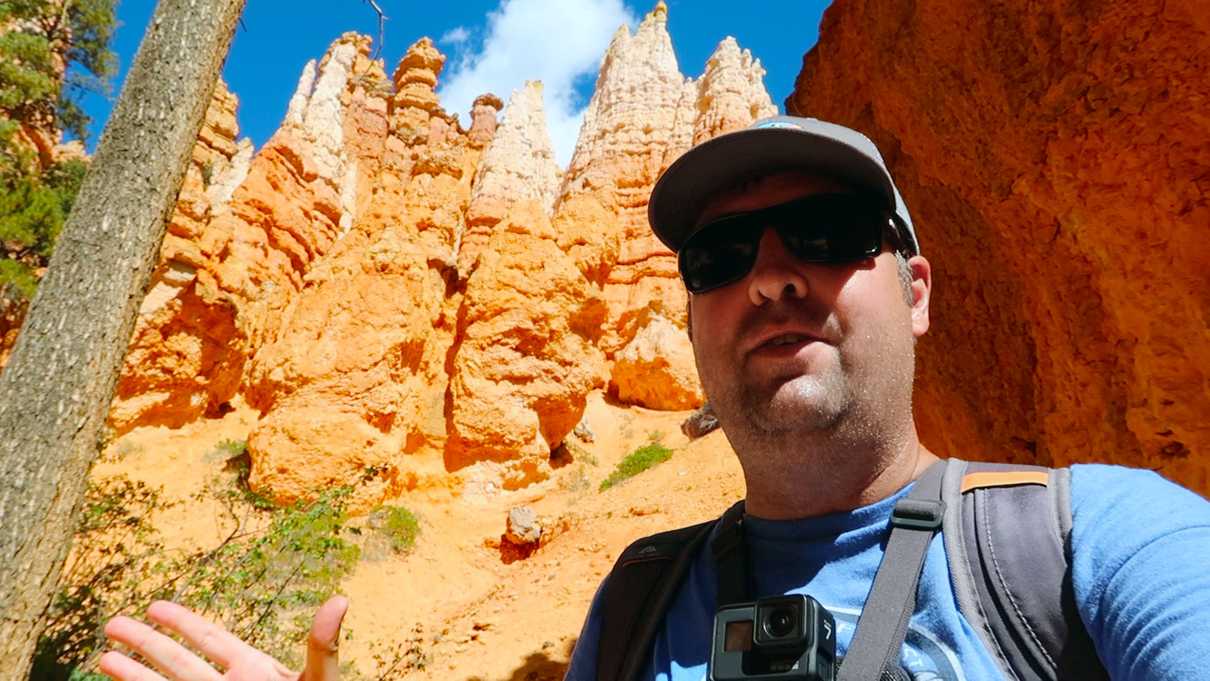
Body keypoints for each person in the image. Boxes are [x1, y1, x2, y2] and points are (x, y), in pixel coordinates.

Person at [98, 117, 1210, 681]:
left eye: (825, 237)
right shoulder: (636, 606)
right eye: (719, 255)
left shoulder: (1092, 539)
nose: (772, 275)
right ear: (686, 316)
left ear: (915, 292)